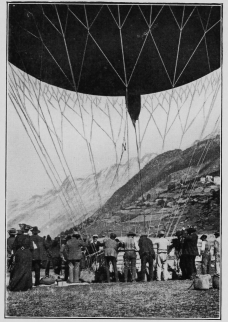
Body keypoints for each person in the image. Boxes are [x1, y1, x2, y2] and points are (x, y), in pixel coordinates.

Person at [9, 224, 33, 292]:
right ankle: (26, 287)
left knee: (18, 269)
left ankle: (16, 286)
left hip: (19, 254)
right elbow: (32, 248)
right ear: (28, 230)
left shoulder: (18, 237)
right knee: (27, 270)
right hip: (27, 254)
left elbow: (14, 247)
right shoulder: (29, 238)